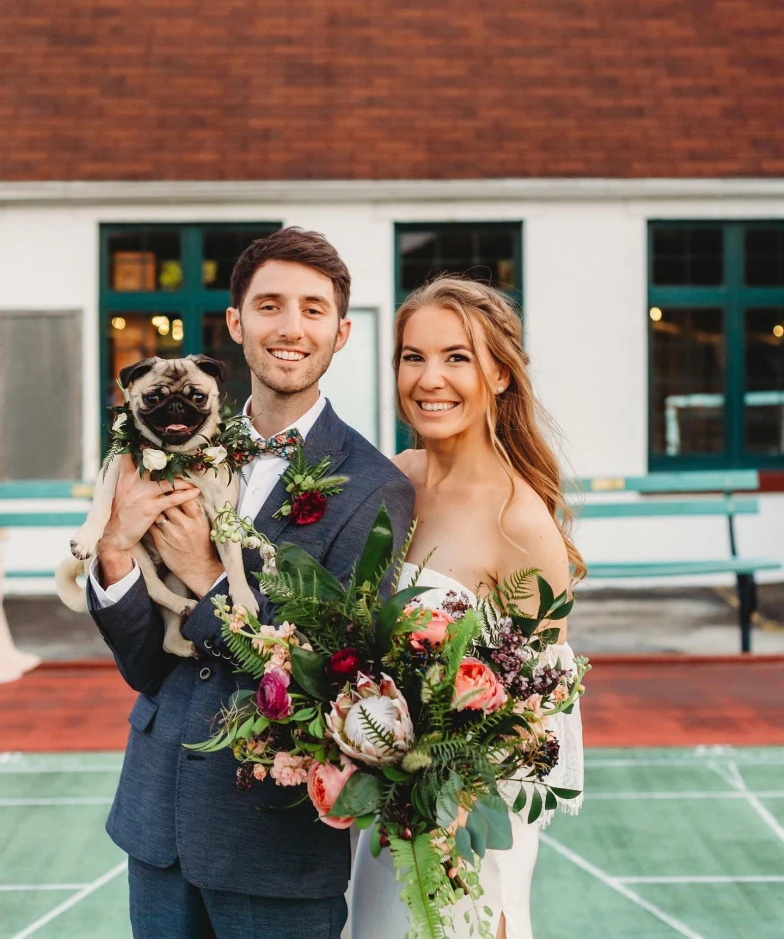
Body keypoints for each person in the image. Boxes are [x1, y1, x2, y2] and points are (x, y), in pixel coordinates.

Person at [87, 228, 415, 939]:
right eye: (269, 305)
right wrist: (114, 556)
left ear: (341, 332)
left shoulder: (372, 487)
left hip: (276, 846)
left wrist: (210, 574)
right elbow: (147, 665)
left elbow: (338, 674)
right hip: (159, 821)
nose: (291, 327)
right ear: (237, 324)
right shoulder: (166, 452)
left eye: (313, 309)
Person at [351, 277, 585, 939]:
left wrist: (453, 808)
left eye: (457, 357)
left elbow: (541, 709)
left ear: (502, 375)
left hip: (465, 835)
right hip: (383, 813)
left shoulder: (520, 521)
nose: (430, 379)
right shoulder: (396, 480)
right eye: (413, 356)